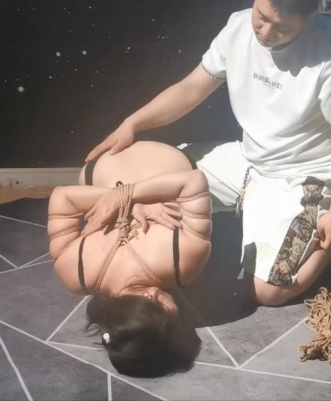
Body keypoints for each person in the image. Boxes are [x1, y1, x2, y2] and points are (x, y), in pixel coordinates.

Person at [85, 0, 331, 308]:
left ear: (309, 19)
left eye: (281, 27)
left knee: (268, 292)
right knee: (129, 173)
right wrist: (132, 123)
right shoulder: (238, 27)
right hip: (245, 159)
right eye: (261, 17)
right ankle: (248, 207)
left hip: (299, 177)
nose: (265, 33)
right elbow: (191, 89)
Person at [48, 141, 212, 377]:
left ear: (158, 301)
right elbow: (63, 197)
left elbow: (193, 181)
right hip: (99, 162)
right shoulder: (76, 276)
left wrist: (127, 198)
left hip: (168, 145)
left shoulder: (182, 265)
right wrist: (123, 202)